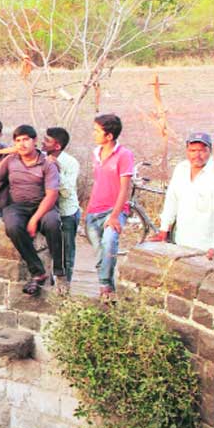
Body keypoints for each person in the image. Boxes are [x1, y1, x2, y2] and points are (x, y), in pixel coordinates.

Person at [0, 125, 61, 297]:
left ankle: (59, 272)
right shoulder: (10, 160)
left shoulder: (47, 163)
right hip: (18, 206)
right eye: (18, 140)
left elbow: (52, 195)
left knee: (53, 223)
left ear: (34, 141)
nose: (22, 144)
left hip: (43, 205)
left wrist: (34, 219)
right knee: (12, 226)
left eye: (26, 140)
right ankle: (38, 271)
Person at [85, 114, 134, 298]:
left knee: (109, 242)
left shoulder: (124, 155)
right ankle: (108, 291)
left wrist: (115, 215)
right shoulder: (96, 153)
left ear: (109, 136)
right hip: (94, 210)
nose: (94, 134)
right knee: (100, 254)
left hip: (113, 210)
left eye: (97, 131)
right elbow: (97, 183)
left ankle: (105, 286)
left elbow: (124, 188)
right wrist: (88, 210)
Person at [150, 131, 214, 259]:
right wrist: (164, 229)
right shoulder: (181, 169)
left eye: (202, 151)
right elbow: (172, 200)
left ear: (210, 151)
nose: (197, 155)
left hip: (208, 246)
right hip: (181, 242)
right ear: (187, 151)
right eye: (193, 150)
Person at [42, 127, 80, 293]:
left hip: (66, 213)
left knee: (66, 252)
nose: (43, 143)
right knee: (49, 249)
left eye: (47, 140)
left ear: (57, 146)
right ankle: (50, 284)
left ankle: (65, 288)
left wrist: (56, 169)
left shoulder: (71, 163)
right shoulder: (42, 157)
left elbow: (66, 191)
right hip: (48, 212)